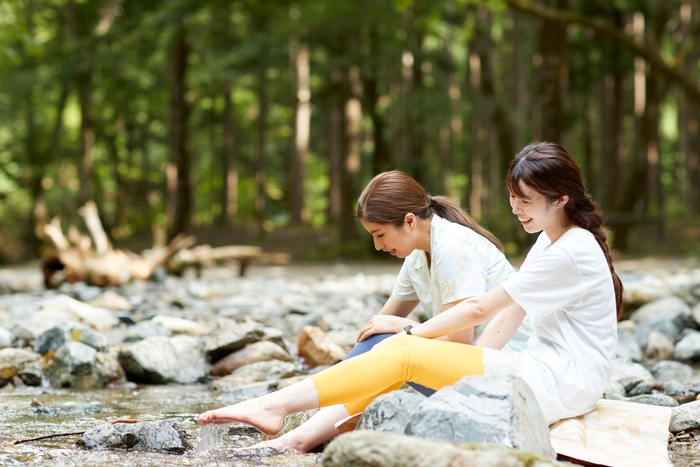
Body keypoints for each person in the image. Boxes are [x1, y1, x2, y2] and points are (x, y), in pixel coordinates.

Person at [198, 142, 622, 440]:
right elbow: (511, 314)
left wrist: (411, 335)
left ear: (561, 198)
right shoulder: (551, 239)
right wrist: (481, 367)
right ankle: (293, 423)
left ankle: (275, 407)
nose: (515, 209)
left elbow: (479, 308)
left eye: (525, 201)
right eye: (512, 197)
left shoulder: (571, 249)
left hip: (563, 383)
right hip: (543, 369)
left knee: (402, 350)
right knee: (398, 349)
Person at [234, 170, 532, 452]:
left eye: (380, 234)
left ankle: (301, 428)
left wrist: (403, 330)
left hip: (503, 371)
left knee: (388, 346)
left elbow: (460, 343)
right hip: (467, 365)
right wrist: (355, 370)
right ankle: (305, 428)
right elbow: (374, 330)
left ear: (410, 221)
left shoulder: (454, 247)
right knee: (378, 340)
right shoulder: (418, 256)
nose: (377, 246)